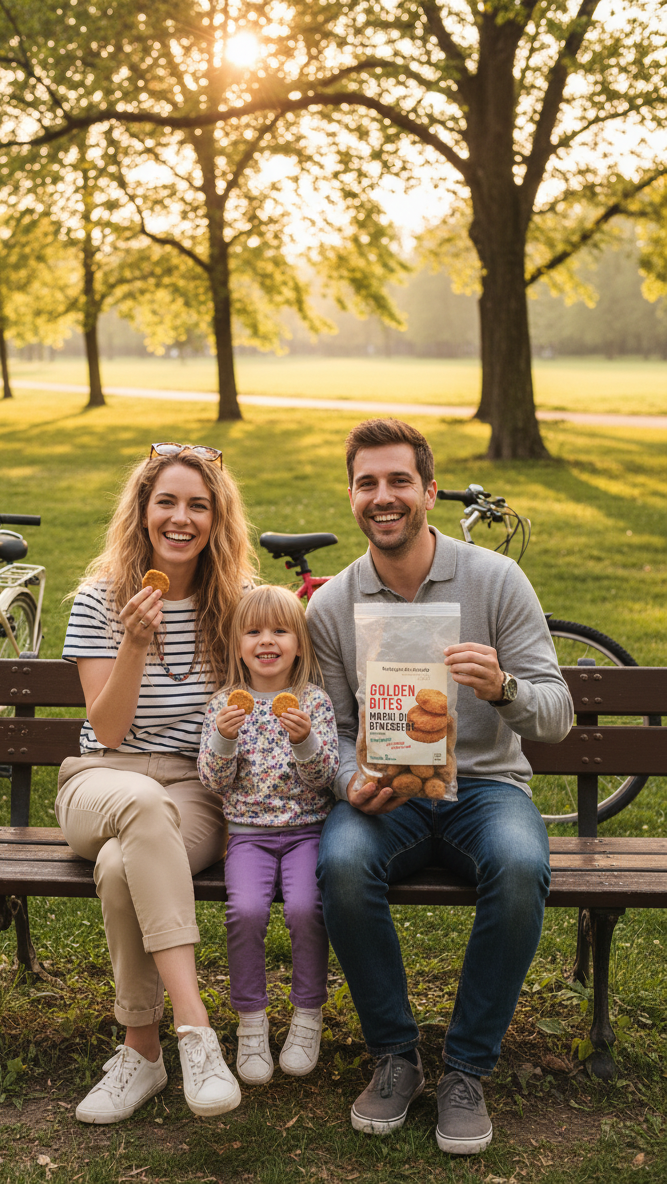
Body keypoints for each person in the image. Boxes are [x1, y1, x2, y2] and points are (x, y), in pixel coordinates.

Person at [306, 419, 573, 1156]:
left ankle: (467, 1069)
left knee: (519, 868)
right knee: (341, 865)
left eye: (398, 481)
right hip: (385, 795)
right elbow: (327, 730)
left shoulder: (495, 580)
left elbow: (555, 715)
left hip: (486, 788)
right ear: (352, 496)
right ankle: (396, 1057)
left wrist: (505, 685)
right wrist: (345, 778)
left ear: (428, 490)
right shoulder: (330, 606)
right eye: (367, 483)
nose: (382, 497)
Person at [56, 442, 257, 1124]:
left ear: (216, 518)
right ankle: (198, 1032)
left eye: (198, 505)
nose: (181, 517)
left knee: (120, 868)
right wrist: (134, 644)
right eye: (166, 502)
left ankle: (141, 1054)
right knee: (137, 807)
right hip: (99, 780)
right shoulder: (98, 600)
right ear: (141, 512)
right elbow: (106, 731)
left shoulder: (234, 605)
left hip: (191, 793)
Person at [198, 585, 339, 1085]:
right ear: (237, 643)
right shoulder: (223, 706)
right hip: (248, 835)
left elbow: (326, 777)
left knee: (306, 909)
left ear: (299, 642)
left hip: (307, 832)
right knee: (247, 912)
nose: (267, 640)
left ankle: (307, 1014)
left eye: (281, 630)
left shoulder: (312, 703)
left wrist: (304, 741)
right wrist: (224, 737)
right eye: (253, 631)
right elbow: (213, 781)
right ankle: (252, 1020)